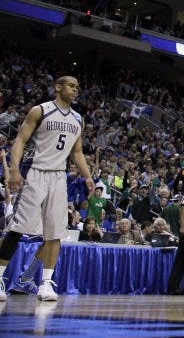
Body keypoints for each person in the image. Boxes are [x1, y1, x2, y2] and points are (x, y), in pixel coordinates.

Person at [0, 76, 95, 301]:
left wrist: (88, 176)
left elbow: (77, 152)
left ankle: (45, 284)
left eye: (78, 87)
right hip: (35, 173)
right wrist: (14, 169)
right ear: (58, 87)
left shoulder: (77, 119)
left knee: (55, 232)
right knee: (17, 229)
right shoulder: (40, 110)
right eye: (72, 86)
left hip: (58, 176)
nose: (76, 90)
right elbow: (20, 140)